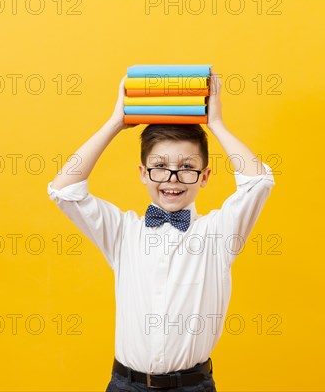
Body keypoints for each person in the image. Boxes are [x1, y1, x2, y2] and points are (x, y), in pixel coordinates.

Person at [47, 69, 275, 391]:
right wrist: (115, 123)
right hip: (126, 384)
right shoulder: (123, 233)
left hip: (193, 385)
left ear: (205, 176)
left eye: (186, 168)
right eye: (159, 167)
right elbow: (63, 189)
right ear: (143, 172)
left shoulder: (218, 235)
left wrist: (217, 124)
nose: (171, 179)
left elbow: (259, 182)